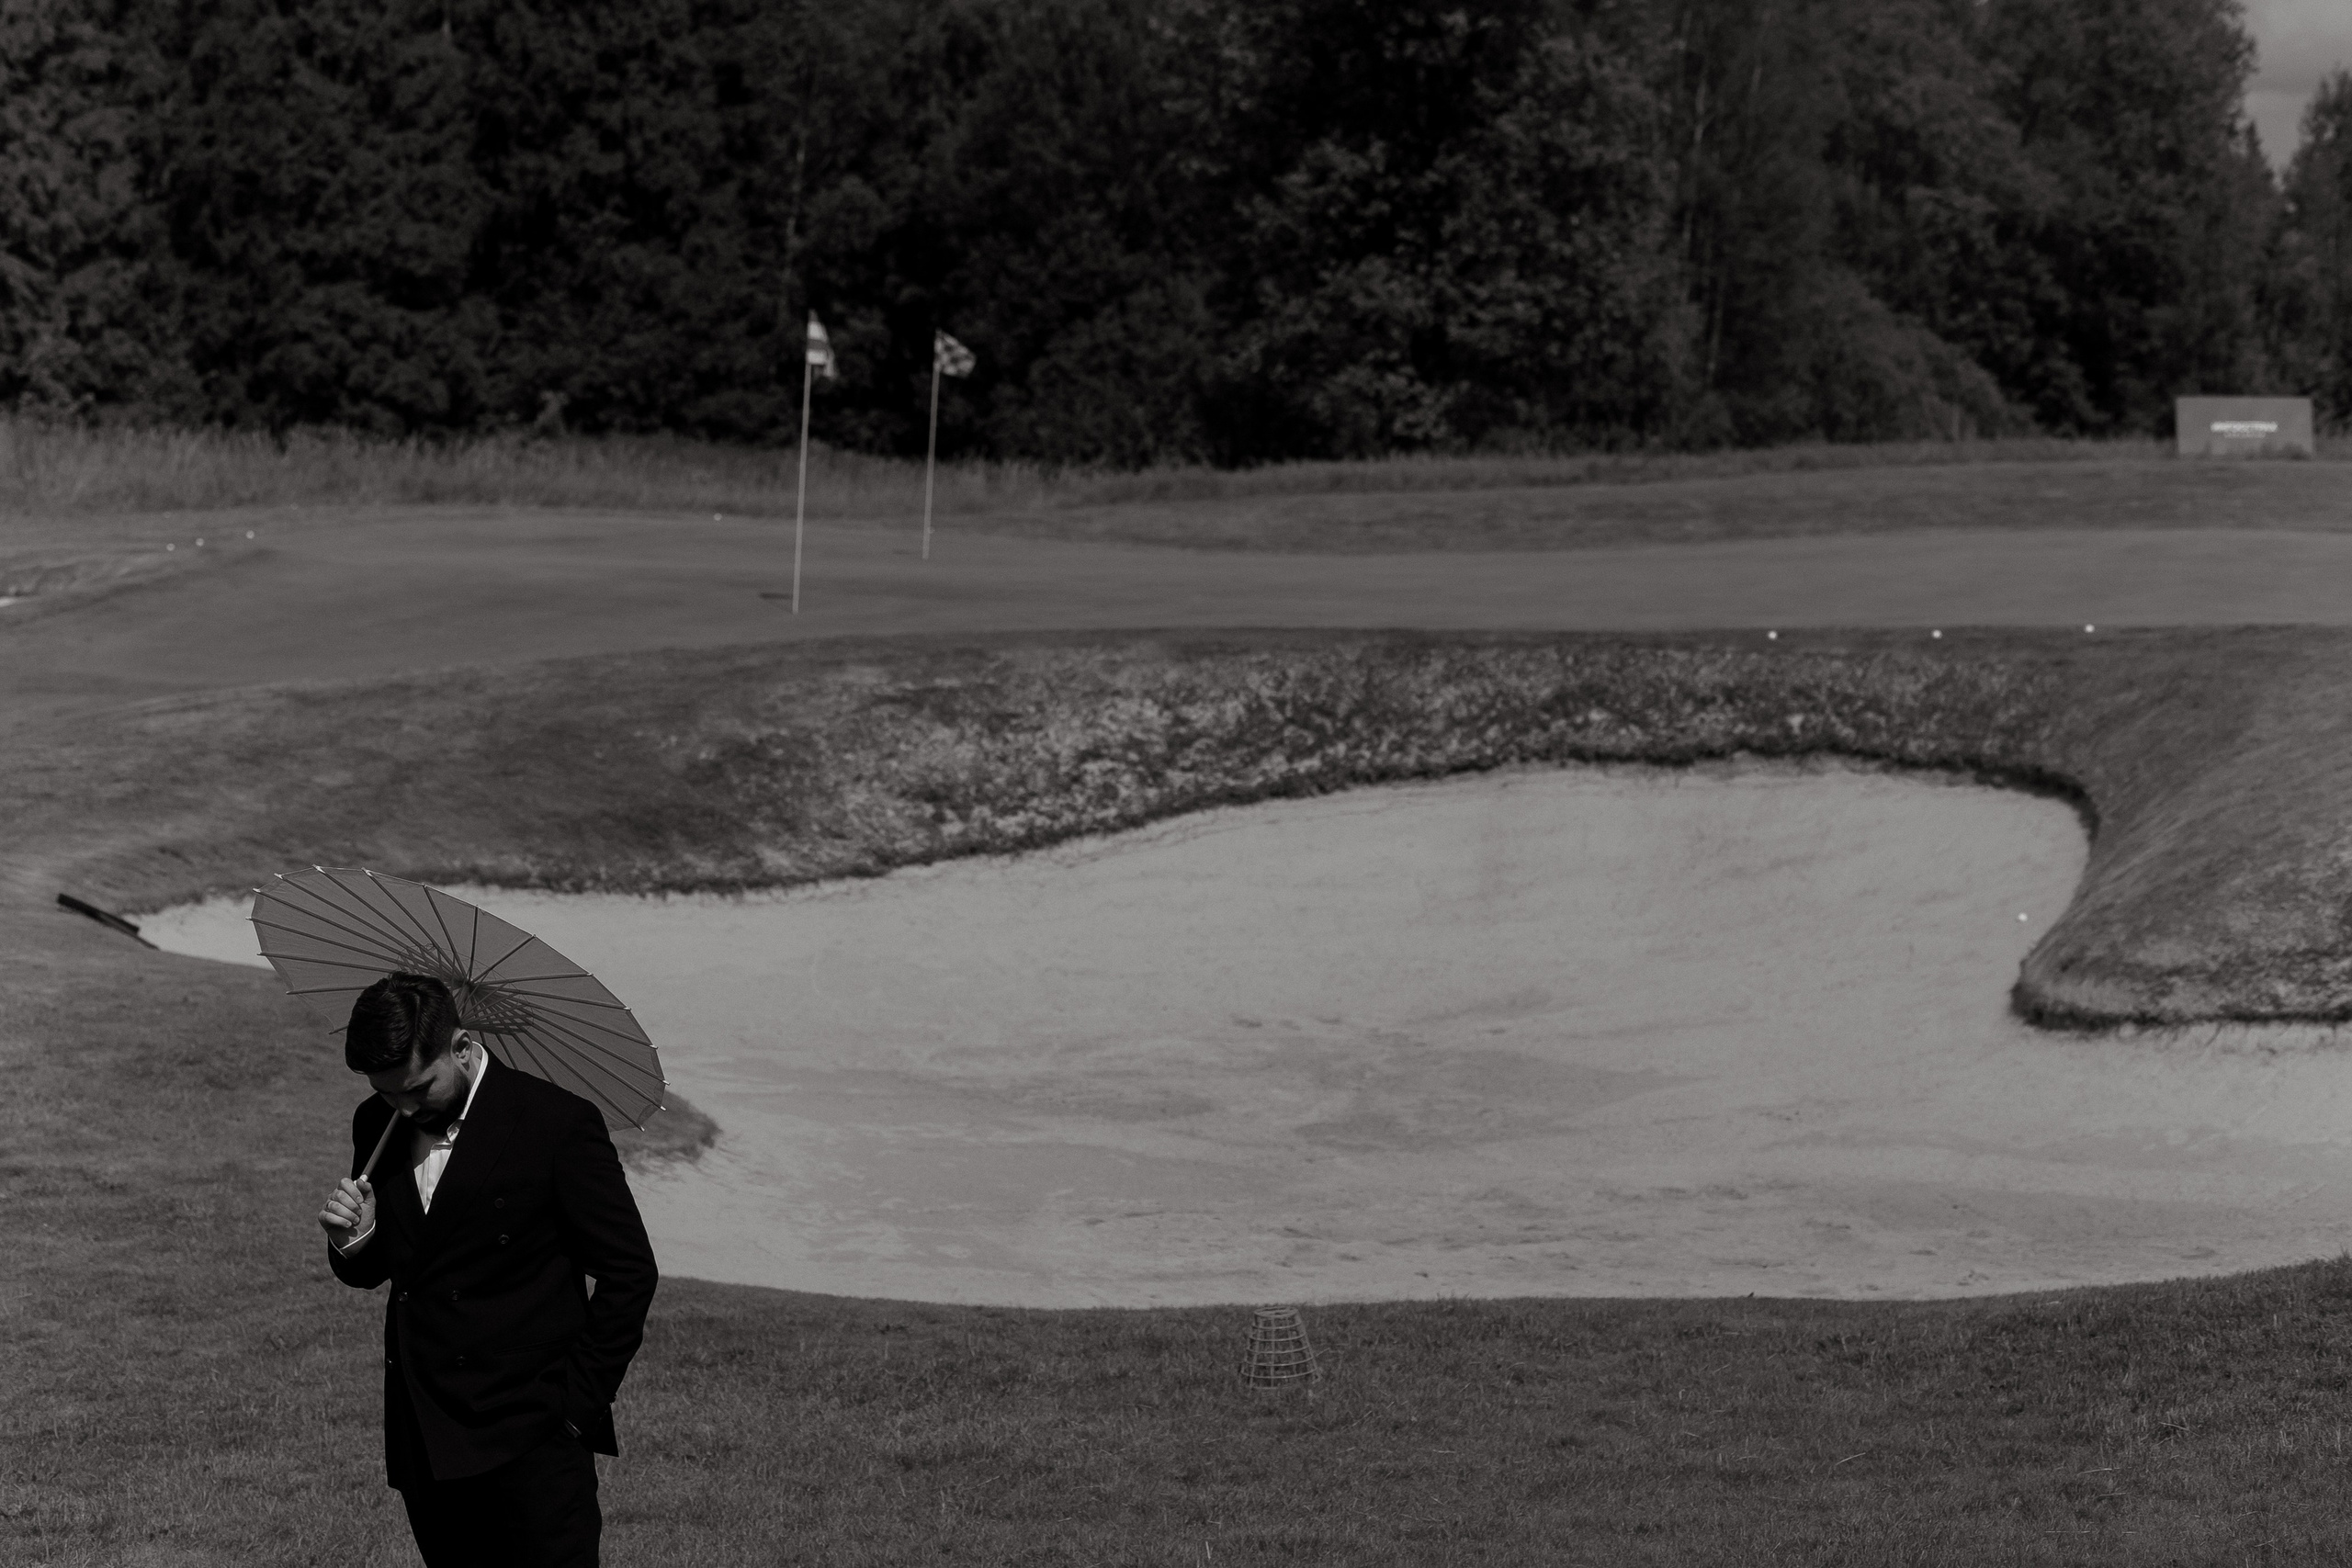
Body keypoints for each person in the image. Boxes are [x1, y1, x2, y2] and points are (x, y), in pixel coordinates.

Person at [316, 972, 659, 1568]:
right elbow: (392, 1270)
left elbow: (630, 1271)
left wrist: (573, 1410)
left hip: (532, 1444)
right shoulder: (377, 1123)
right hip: (425, 1442)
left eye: (417, 1088)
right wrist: (356, 1239)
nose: (403, 1106)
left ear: (463, 1045)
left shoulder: (556, 1124)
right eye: (387, 1090)